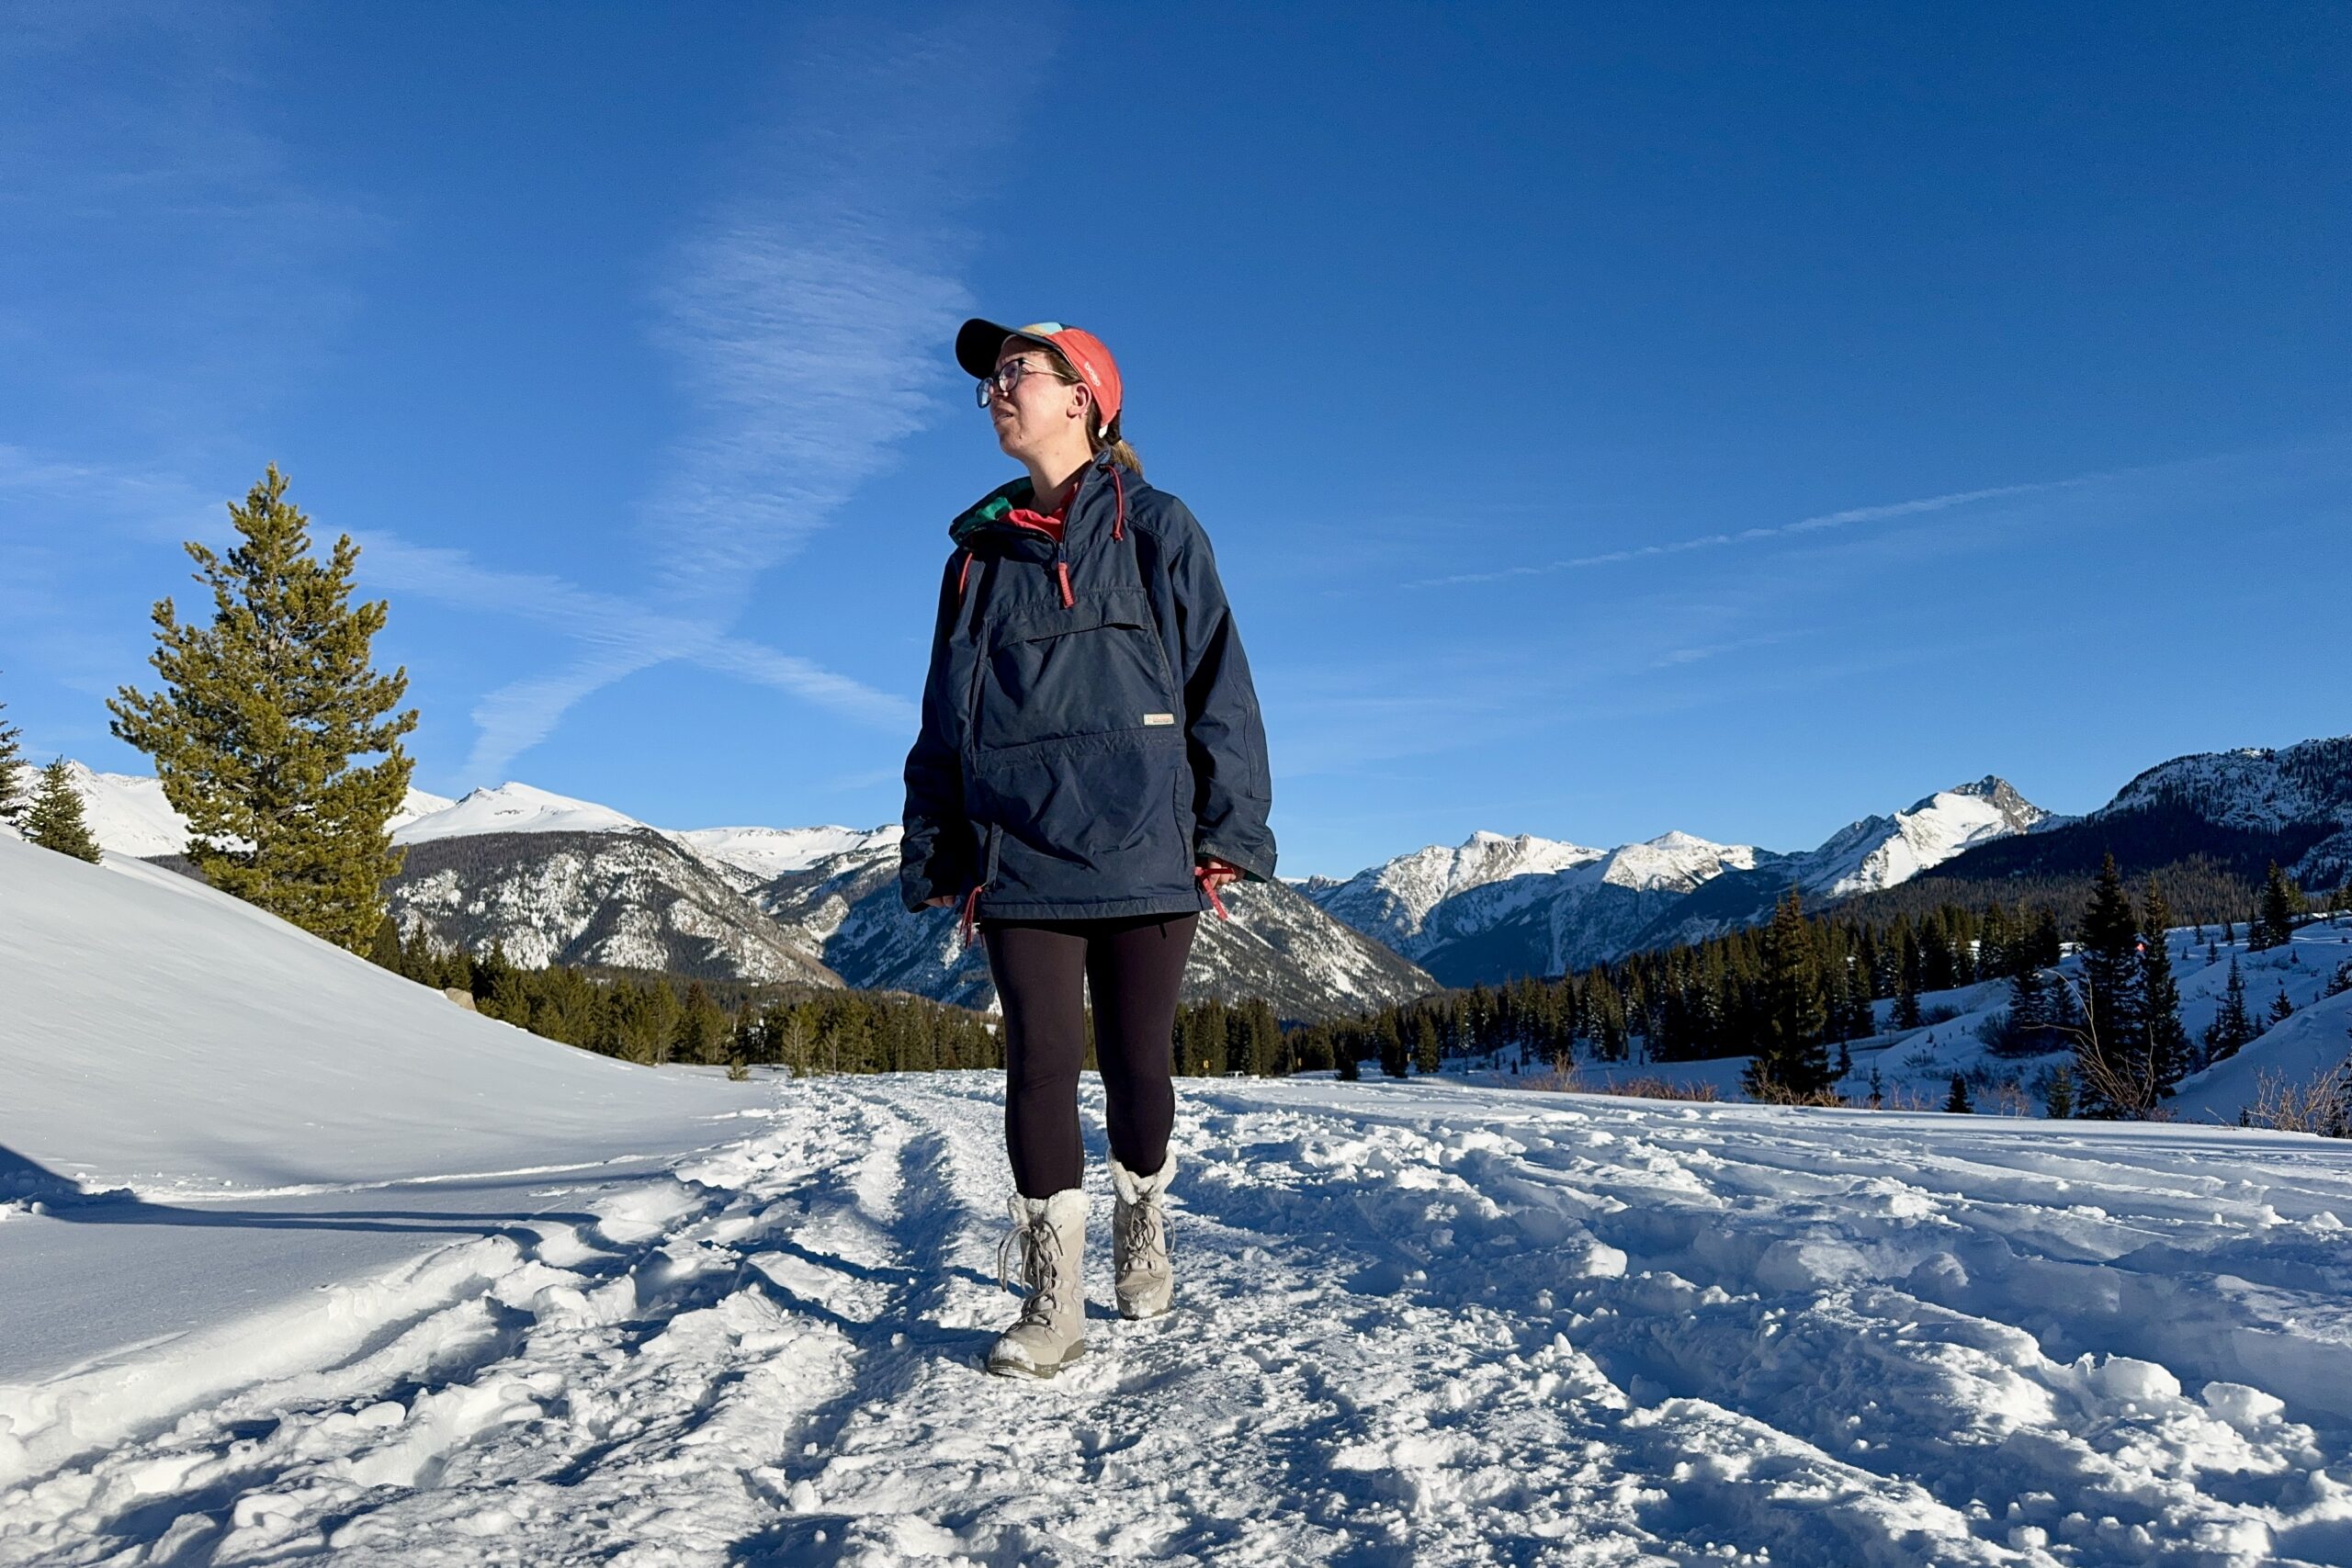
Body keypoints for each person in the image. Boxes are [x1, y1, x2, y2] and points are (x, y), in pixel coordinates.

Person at [899, 318, 1276, 1379]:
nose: (997, 392)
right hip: (1019, 853)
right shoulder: (973, 559)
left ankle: (1140, 1219)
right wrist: (941, 848)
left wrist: (1228, 829)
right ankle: (1049, 1295)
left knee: (1139, 1067)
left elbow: (1218, 682)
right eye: (991, 382)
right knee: (1038, 1066)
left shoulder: (1157, 526)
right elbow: (944, 716)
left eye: (1018, 372)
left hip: (1147, 844)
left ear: (1085, 399)